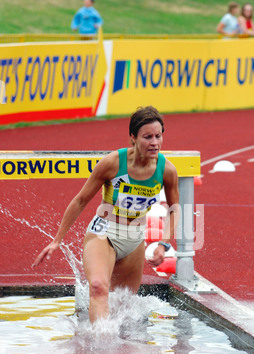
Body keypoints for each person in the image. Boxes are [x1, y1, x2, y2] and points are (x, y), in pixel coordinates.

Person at [33, 106, 180, 325]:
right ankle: (99, 350)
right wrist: (57, 240)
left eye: (158, 136)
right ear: (132, 137)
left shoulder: (166, 170)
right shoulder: (112, 163)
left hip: (135, 240)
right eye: (147, 137)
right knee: (98, 288)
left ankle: (113, 348)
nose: (155, 143)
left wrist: (163, 244)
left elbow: (174, 207)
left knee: (124, 307)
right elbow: (81, 199)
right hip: (104, 233)